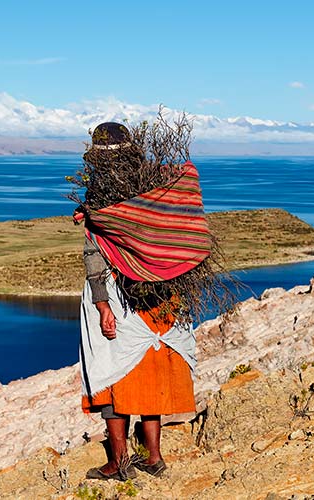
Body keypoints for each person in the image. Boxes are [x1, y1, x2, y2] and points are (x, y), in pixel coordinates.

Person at [74, 122, 209, 481]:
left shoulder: (102, 192)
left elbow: (96, 255)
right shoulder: (157, 182)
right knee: (150, 368)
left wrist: (103, 306)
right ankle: (154, 457)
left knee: (111, 372)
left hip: (119, 293)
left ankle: (119, 463)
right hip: (163, 292)